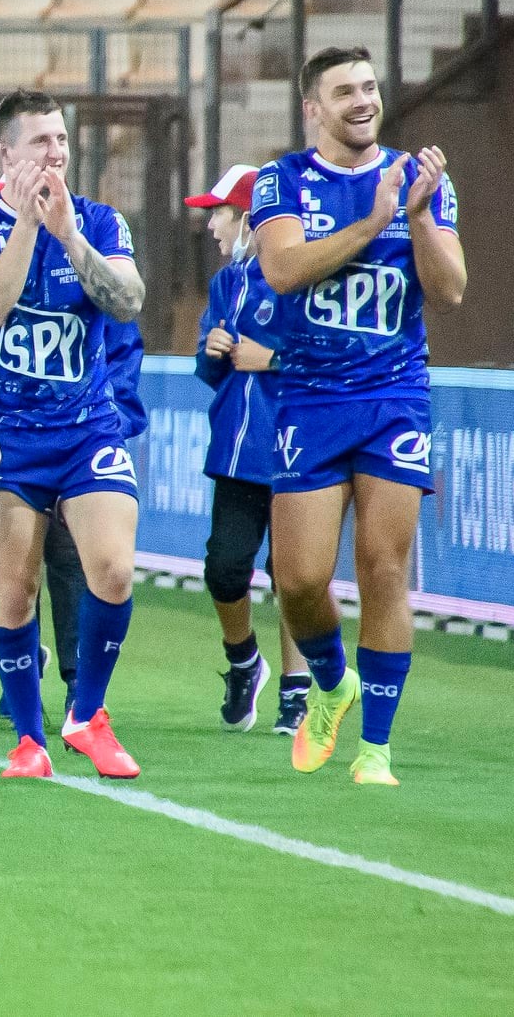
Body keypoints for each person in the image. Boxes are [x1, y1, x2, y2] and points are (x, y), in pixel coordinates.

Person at [251, 45, 465, 788]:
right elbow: (282, 270)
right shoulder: (280, 181)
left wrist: (418, 221)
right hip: (310, 397)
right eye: (345, 91)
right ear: (314, 108)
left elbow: (452, 289)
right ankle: (331, 680)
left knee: (384, 567)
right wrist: (375, 223)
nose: (363, 100)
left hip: (394, 395)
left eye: (370, 87)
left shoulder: (420, 179)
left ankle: (376, 747)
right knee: (300, 582)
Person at [0, 89, 149, 781]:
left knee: (112, 569)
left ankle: (86, 715)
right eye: (40, 141)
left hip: (86, 429)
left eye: (62, 140)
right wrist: (26, 226)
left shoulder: (100, 221)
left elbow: (130, 301)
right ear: (6, 154)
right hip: (9, 434)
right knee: (12, 593)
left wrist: (69, 236)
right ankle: (27, 736)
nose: (55, 153)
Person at [188, 165, 312, 735]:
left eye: (219, 212)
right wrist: (212, 353)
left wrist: (275, 359)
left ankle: (297, 689)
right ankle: (244, 661)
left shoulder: (305, 279)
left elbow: (331, 357)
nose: (211, 224)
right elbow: (210, 374)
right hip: (236, 454)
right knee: (224, 569)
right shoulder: (226, 285)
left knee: (292, 573)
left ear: (251, 220)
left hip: (295, 449)